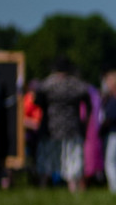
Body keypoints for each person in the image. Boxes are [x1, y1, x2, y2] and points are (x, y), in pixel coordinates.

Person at [34, 57, 94, 192]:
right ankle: (73, 190)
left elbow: (37, 101)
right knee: (72, 163)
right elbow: (88, 103)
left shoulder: (47, 84)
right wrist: (84, 123)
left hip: (50, 128)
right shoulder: (76, 85)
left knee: (46, 162)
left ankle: (42, 188)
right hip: (71, 128)